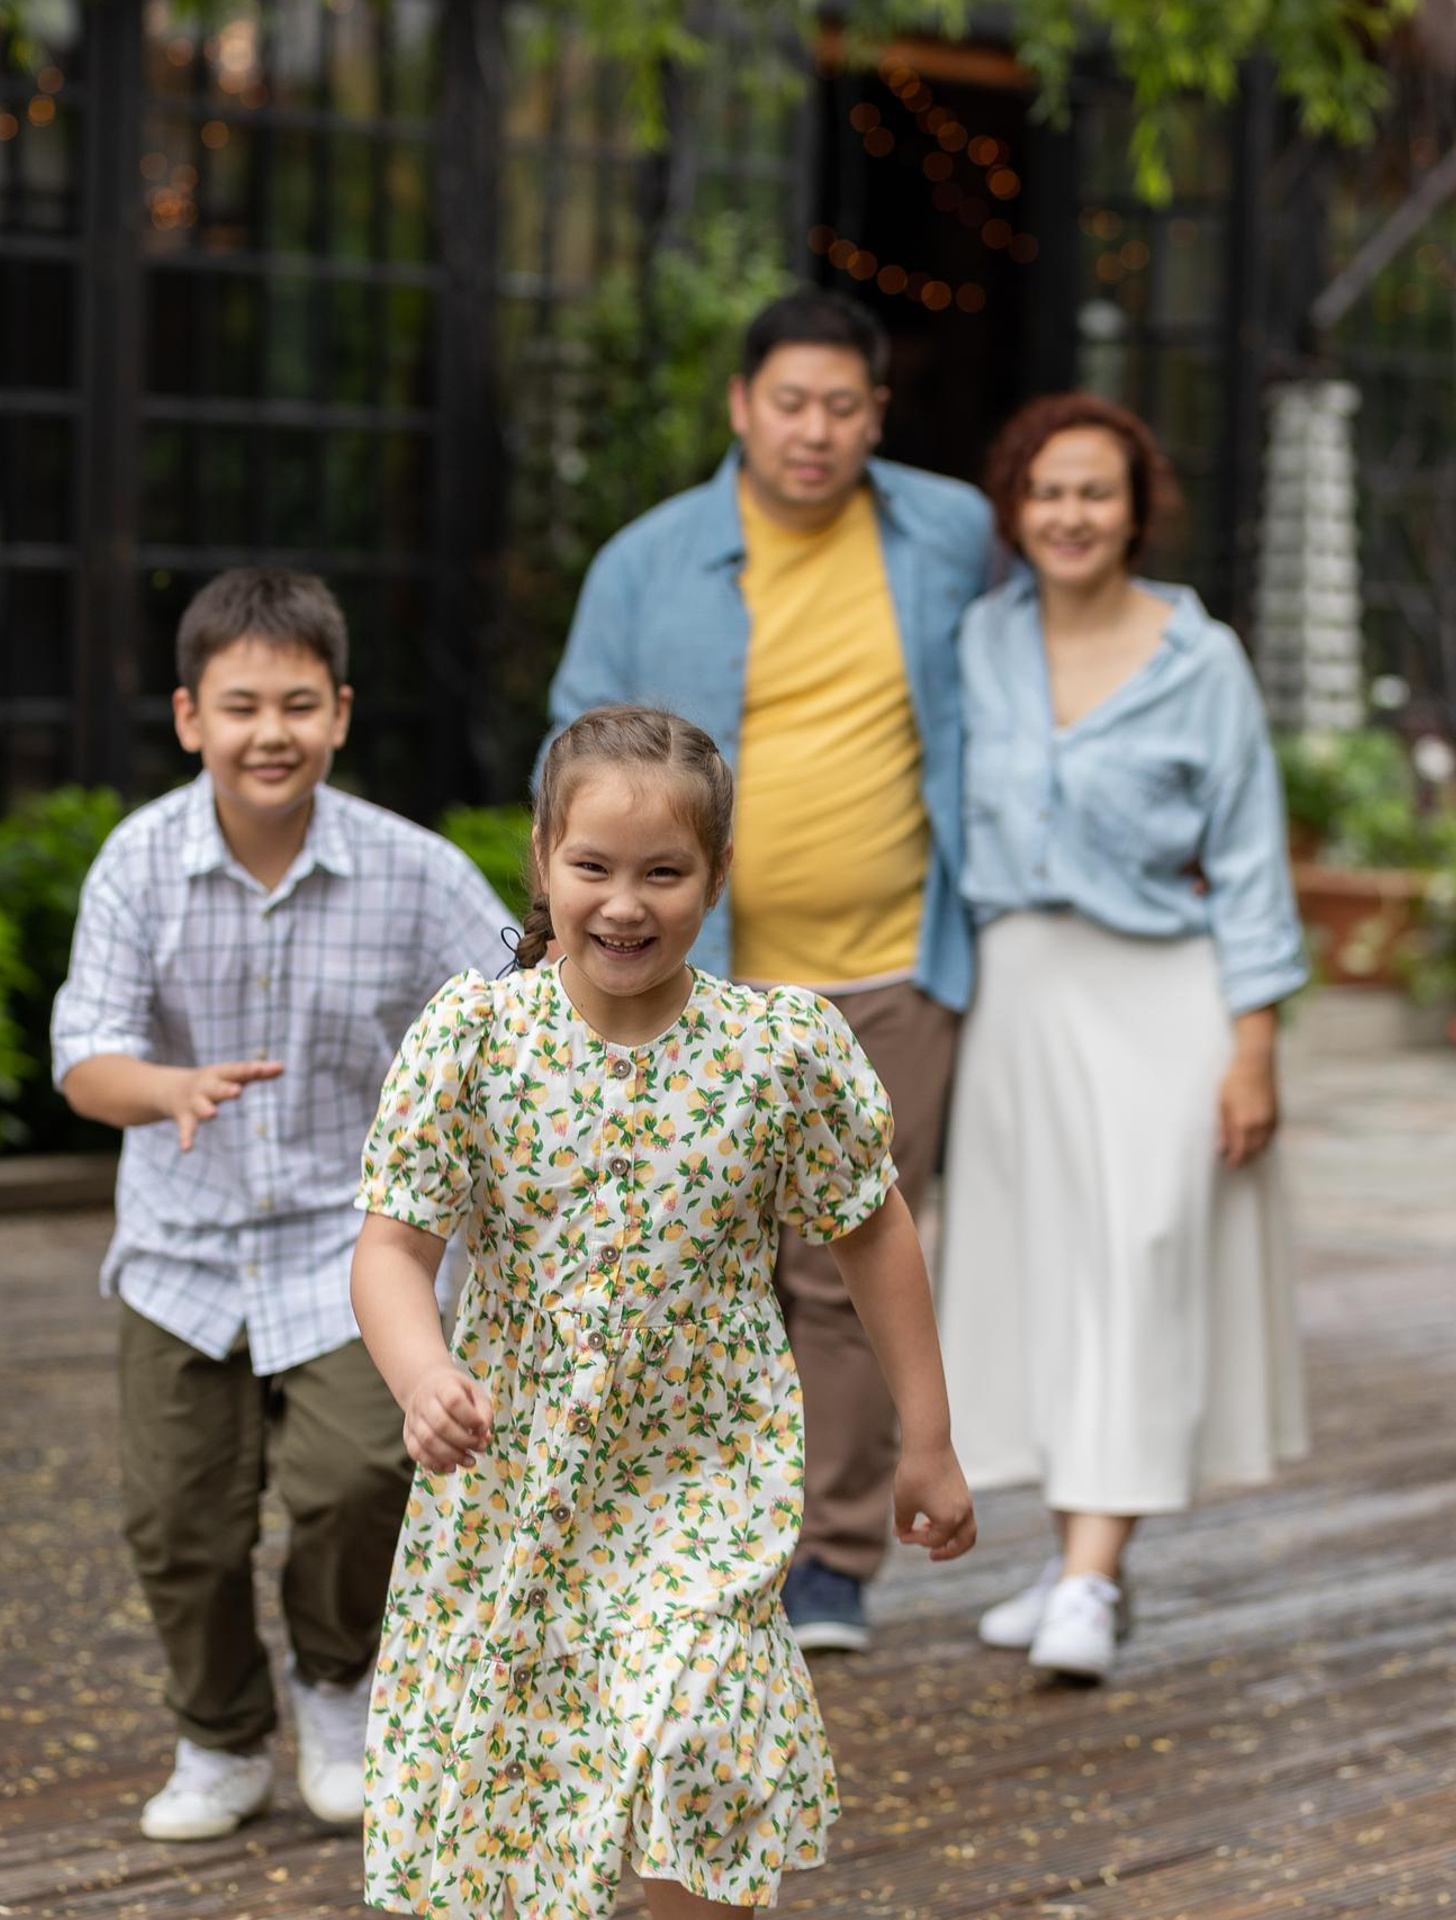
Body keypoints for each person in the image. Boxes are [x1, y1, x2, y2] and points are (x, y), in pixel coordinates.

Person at [348, 706, 977, 1920]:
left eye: (663, 873)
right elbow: (390, 1247)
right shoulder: (476, 1039)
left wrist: (929, 1435)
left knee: (705, 1729)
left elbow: (872, 1227)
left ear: (719, 876)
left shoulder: (778, 1051)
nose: (624, 904)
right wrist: (423, 1373)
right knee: (515, 1784)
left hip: (706, 1475)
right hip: (516, 1484)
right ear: (542, 863)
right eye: (592, 868)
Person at [545, 289, 993, 1653]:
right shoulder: (645, 560)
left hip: (891, 967)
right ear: (742, 406)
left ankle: (831, 1561)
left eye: (843, 406)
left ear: (878, 414)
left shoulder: (951, 534)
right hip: (700, 979)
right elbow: (569, 752)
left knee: (851, 1256)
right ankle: (675, 1529)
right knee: (683, 1258)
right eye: (790, 403)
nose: (815, 431)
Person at [51, 566, 513, 1842]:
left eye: (299, 705)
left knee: (361, 1475)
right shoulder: (138, 862)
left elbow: (515, 1010)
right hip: (181, 1250)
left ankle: (338, 1682)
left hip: (345, 1241)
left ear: (343, 714)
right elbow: (81, 1057)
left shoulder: (410, 872)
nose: (272, 733)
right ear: (191, 716)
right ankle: (217, 1738)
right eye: (241, 705)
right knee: (177, 1523)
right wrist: (169, 1085)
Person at [935, 394, 1310, 1684]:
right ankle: (1068, 1558)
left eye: (1096, 492)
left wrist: (1254, 1045)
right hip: (1019, 991)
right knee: (1042, 1277)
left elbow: (1253, 861)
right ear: (1015, 511)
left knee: (1141, 1263)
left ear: (1137, 509)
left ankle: (1093, 1578)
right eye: (1047, 493)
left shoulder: (1198, 660)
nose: (1071, 516)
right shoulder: (978, 642)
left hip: (1165, 995)